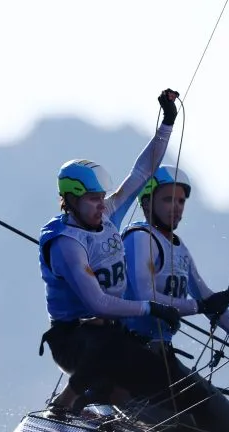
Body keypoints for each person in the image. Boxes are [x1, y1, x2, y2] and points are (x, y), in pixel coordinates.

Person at [38, 90, 183, 411]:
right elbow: (96, 302)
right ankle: (65, 402)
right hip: (72, 341)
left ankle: (109, 402)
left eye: (101, 196)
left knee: (153, 371)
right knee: (109, 349)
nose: (101, 204)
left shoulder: (108, 214)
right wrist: (151, 307)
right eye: (92, 199)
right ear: (71, 200)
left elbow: (142, 172)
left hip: (107, 332)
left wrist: (167, 124)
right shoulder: (66, 243)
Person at [121, 165, 229, 432]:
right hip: (130, 356)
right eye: (167, 200)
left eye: (180, 201)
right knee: (194, 421)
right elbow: (145, 295)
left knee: (226, 419)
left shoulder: (179, 248)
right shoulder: (139, 238)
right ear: (146, 203)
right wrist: (200, 308)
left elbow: (206, 297)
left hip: (161, 357)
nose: (176, 207)